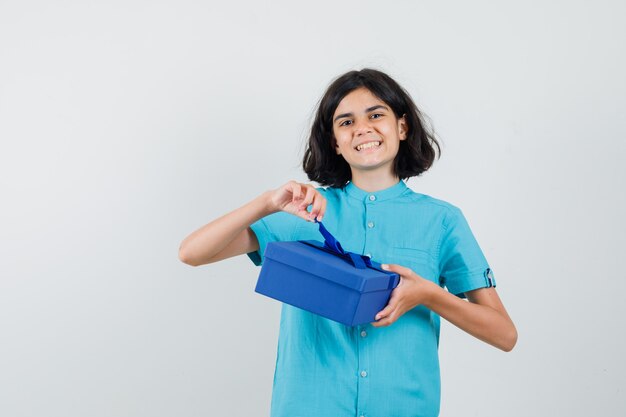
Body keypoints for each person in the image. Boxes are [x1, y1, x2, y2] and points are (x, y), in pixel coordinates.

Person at [178, 68, 517, 417]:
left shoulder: (442, 221)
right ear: (334, 142)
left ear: (402, 127)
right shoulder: (302, 213)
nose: (362, 128)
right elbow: (191, 253)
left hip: (404, 408)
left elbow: (504, 334)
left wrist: (428, 294)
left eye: (376, 115)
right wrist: (266, 202)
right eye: (346, 122)